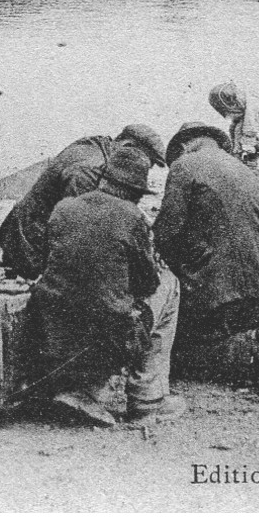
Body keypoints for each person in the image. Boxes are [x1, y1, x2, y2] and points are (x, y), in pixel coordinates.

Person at [155, 121, 259, 395]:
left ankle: (253, 348)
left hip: (214, 290)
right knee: (231, 331)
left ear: (184, 146)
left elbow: (166, 234)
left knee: (181, 356)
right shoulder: (246, 171)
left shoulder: (184, 166)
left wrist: (176, 267)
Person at [33, 146, 184, 426]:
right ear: (136, 191)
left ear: (103, 179)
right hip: (106, 337)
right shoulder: (133, 218)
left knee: (83, 293)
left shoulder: (64, 208)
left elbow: (49, 264)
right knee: (170, 285)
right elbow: (146, 283)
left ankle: (82, 388)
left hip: (51, 331)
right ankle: (147, 398)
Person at [0, 124, 167, 279]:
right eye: (148, 163)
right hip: (31, 252)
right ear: (128, 146)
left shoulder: (99, 147)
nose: (145, 170)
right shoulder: (88, 172)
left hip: (38, 235)